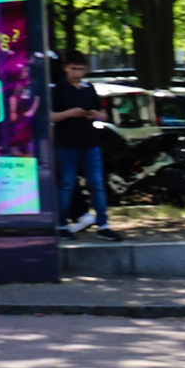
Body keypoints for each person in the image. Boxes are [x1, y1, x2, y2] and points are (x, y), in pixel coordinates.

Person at [50, 55, 118, 239]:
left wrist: (94, 114)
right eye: (74, 68)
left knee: (97, 183)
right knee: (67, 184)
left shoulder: (89, 89)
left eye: (81, 69)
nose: (77, 73)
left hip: (90, 143)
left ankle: (103, 224)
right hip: (66, 144)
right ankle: (62, 224)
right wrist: (70, 113)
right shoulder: (57, 89)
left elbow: (104, 115)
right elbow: (50, 116)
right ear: (65, 68)